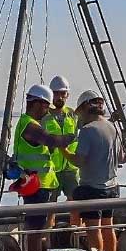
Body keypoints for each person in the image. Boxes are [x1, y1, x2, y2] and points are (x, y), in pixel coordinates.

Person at [13, 83, 76, 251]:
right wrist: (76, 134)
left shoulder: (26, 123)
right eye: (45, 106)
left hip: (37, 184)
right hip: (36, 186)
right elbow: (52, 140)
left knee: (36, 228)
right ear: (38, 103)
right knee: (35, 231)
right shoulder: (30, 126)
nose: (47, 110)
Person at [70, 90, 123, 251]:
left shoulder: (87, 130)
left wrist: (62, 149)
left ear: (85, 108)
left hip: (92, 189)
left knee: (94, 229)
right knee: (108, 227)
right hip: (113, 188)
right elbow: (121, 157)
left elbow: (79, 161)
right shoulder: (113, 128)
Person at [44, 75, 80, 225]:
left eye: (62, 93)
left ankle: (74, 233)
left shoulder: (73, 115)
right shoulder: (44, 117)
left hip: (70, 167)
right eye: (56, 93)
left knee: (75, 202)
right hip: (52, 168)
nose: (60, 97)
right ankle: (47, 237)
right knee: (50, 205)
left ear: (67, 95)